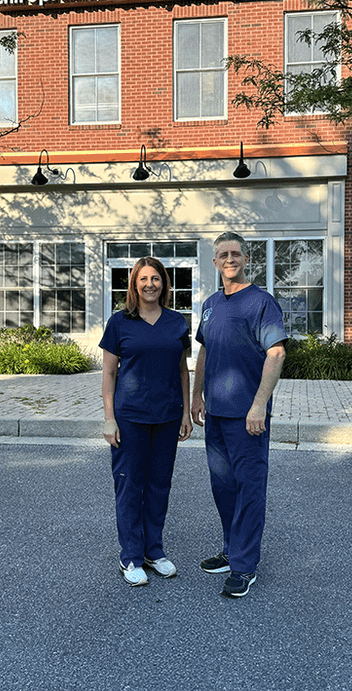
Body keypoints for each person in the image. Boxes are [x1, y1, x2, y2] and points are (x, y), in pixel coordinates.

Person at [191, 232, 287, 598]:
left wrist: (260, 403)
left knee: (248, 487)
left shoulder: (261, 303)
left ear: (246, 259)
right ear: (215, 263)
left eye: (235, 253)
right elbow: (203, 352)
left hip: (248, 416)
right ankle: (232, 550)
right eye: (222, 255)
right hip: (214, 413)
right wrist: (196, 396)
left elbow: (275, 354)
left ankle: (245, 565)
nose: (229, 259)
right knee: (223, 486)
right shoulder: (212, 304)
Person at [100, 256, 192, 587]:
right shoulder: (119, 322)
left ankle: (154, 551)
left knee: (158, 485)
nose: (150, 284)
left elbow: (182, 370)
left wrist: (184, 412)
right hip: (130, 418)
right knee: (129, 485)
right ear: (134, 285)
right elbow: (109, 373)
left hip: (167, 417)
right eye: (144, 279)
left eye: (156, 278)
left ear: (164, 284)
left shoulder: (176, 322)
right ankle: (131, 557)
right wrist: (109, 418)